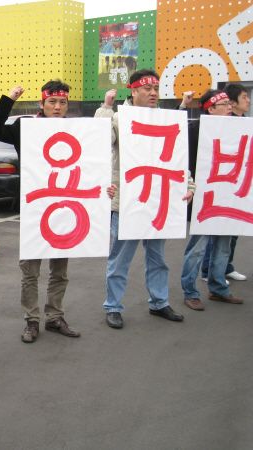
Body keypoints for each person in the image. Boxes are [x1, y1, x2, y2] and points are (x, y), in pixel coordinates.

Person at [95, 69, 195, 329]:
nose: (153, 93)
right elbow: (99, 141)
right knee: (120, 259)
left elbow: (177, 158)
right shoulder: (118, 117)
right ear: (134, 90)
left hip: (158, 201)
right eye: (147, 89)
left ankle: (159, 302)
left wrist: (189, 185)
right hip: (127, 203)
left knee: (158, 258)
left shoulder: (165, 118)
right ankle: (113, 306)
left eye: (156, 89)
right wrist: (105, 108)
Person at [0, 80, 80, 343]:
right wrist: (9, 99)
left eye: (62, 102)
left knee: (60, 270)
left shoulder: (76, 130)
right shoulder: (24, 127)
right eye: (52, 102)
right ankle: (32, 320)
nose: (57, 107)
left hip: (65, 208)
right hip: (34, 208)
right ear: (42, 103)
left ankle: (55, 316)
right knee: (30, 270)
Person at [180, 89, 244, 310]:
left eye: (229, 103)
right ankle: (190, 292)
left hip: (229, 196)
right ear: (210, 109)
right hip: (204, 199)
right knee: (198, 247)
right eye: (224, 104)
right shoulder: (196, 129)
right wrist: (183, 106)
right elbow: (177, 133)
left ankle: (218, 289)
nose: (230, 107)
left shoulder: (238, 128)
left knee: (224, 247)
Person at [198, 83, 251, 284]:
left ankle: (225, 268)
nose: (248, 100)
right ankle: (208, 271)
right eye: (244, 97)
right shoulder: (211, 126)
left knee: (232, 230)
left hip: (237, 185)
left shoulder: (244, 124)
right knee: (213, 231)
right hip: (216, 184)